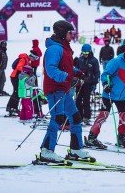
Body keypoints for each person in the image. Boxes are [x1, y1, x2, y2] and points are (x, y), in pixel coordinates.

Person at [39, 20, 93, 163]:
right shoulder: (54, 49)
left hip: (64, 90)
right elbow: (51, 70)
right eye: (70, 33)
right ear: (63, 33)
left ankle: (75, 150)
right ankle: (46, 151)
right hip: (55, 89)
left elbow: (65, 68)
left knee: (75, 117)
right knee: (57, 119)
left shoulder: (64, 47)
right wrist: (68, 77)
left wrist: (78, 72)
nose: (72, 35)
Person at [86, 43, 125, 148]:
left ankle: (121, 137)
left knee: (124, 117)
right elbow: (105, 74)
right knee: (103, 115)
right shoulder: (116, 62)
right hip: (109, 93)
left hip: (122, 96)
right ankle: (92, 137)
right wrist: (105, 84)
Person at [6, 52, 38, 116]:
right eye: (34, 58)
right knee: (17, 91)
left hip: (18, 77)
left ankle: (13, 107)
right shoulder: (23, 59)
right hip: (15, 76)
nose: (34, 60)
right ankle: (11, 107)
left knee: (18, 92)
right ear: (31, 56)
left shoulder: (27, 61)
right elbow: (19, 67)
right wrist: (27, 71)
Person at [75, 44, 100, 125]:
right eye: (84, 53)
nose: (85, 54)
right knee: (78, 100)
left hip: (89, 83)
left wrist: (95, 83)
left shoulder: (94, 60)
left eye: (87, 52)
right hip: (80, 82)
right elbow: (77, 70)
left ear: (90, 52)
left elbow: (97, 72)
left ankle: (87, 117)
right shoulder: (80, 59)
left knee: (86, 100)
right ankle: (80, 116)